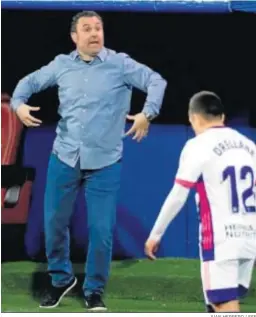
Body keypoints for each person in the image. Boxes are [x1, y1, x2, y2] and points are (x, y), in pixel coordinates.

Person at [11, 11, 167, 311]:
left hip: (105, 163)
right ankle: (60, 279)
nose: (95, 33)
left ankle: (94, 289)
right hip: (64, 157)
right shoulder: (61, 65)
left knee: (101, 230)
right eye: (87, 29)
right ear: (75, 37)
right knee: (54, 224)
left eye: (98, 28)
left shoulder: (119, 64)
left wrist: (147, 113)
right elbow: (27, 83)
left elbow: (156, 81)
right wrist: (18, 105)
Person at [145, 91, 256, 313]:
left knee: (223, 305)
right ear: (222, 117)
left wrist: (155, 234)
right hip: (249, 237)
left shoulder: (198, 145)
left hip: (220, 239)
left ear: (193, 117)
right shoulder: (249, 146)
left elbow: (178, 194)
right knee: (220, 303)